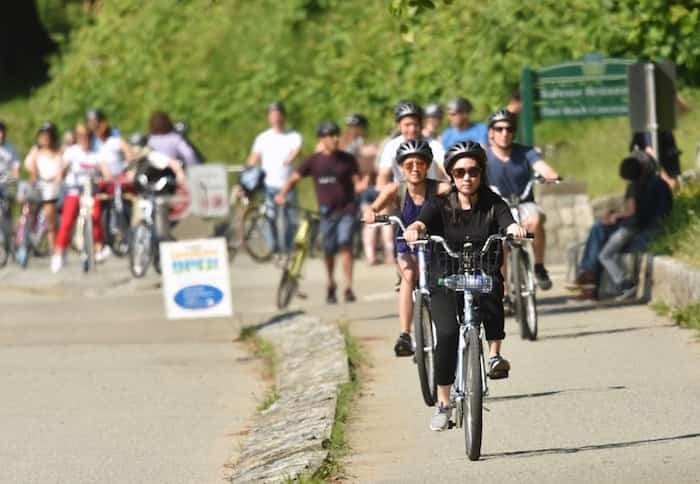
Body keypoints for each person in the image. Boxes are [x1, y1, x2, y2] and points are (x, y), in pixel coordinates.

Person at [403, 141, 527, 431]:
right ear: (451, 175)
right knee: (445, 334)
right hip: (445, 278)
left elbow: (507, 220)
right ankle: (444, 402)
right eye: (460, 172)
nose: (467, 177)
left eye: (473, 171)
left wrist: (513, 229)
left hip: (481, 275)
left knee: (495, 293)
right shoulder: (439, 204)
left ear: (481, 173)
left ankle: (494, 354)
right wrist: (415, 229)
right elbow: (422, 222)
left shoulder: (493, 202)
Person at [364, 139, 451, 356]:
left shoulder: (438, 188)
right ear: (401, 166)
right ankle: (405, 334)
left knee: (443, 279)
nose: (414, 168)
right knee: (409, 275)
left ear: (427, 165)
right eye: (409, 164)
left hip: (435, 245)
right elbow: (374, 207)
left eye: (420, 163)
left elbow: (455, 191)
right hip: (407, 245)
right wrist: (371, 214)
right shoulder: (396, 189)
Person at [275, 121, 359, 303]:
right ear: (322, 139)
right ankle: (331, 283)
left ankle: (348, 287)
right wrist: (282, 194)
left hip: (347, 210)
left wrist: (363, 186)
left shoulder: (347, 159)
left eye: (336, 135)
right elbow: (294, 178)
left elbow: (357, 181)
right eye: (330, 136)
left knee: (345, 243)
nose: (335, 139)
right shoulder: (314, 161)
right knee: (328, 250)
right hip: (327, 213)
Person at [575, 151, 672, 299]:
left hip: (636, 229)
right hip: (636, 226)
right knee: (599, 231)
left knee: (602, 243)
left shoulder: (640, 186)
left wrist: (615, 216)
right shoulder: (646, 183)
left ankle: (595, 278)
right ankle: (591, 280)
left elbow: (635, 213)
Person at [485, 109, 560, 290]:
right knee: (498, 239)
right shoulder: (484, 157)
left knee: (535, 221)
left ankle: (539, 266)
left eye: (509, 129)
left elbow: (544, 169)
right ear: (491, 133)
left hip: (524, 203)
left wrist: (550, 176)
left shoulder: (525, 152)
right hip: (498, 205)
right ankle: (501, 289)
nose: (505, 133)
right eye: (499, 129)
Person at [51, 124, 112, 273]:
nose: (84, 140)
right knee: (67, 220)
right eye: (81, 137)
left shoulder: (97, 153)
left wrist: (106, 178)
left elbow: (106, 171)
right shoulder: (72, 152)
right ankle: (59, 253)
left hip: (91, 191)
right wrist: (60, 176)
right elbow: (63, 168)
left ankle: (98, 248)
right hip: (75, 190)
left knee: (96, 217)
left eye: (87, 137)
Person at [247, 101, 302, 255]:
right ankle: (274, 248)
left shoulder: (293, 136)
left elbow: (297, 150)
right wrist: (247, 176)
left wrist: (290, 159)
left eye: (278, 114)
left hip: (288, 184)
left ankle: (289, 248)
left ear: (283, 116)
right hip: (268, 184)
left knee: (290, 219)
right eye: (272, 114)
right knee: (269, 218)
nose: (276, 117)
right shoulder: (263, 138)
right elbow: (253, 158)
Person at [376, 100, 446, 189]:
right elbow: (383, 176)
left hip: (430, 193)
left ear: (421, 125)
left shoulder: (434, 145)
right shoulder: (391, 146)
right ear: (399, 126)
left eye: (415, 125)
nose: (412, 129)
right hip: (401, 194)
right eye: (407, 125)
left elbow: (444, 166)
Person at [24, 122, 63, 252]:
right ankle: (25, 235)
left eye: (48, 136)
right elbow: (29, 166)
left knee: (50, 210)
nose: (45, 139)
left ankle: (53, 246)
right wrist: (34, 174)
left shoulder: (59, 151)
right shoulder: (36, 151)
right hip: (39, 186)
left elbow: (63, 168)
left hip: (54, 188)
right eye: (43, 136)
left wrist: (58, 176)